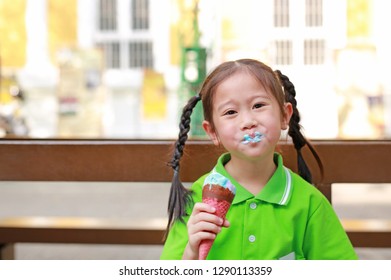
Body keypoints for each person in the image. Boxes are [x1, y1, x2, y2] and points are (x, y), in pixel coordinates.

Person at [161, 58, 358, 260]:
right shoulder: (196, 202)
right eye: (230, 112)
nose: (248, 121)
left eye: (258, 105)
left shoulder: (309, 203)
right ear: (212, 131)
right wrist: (191, 251)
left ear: (284, 115)